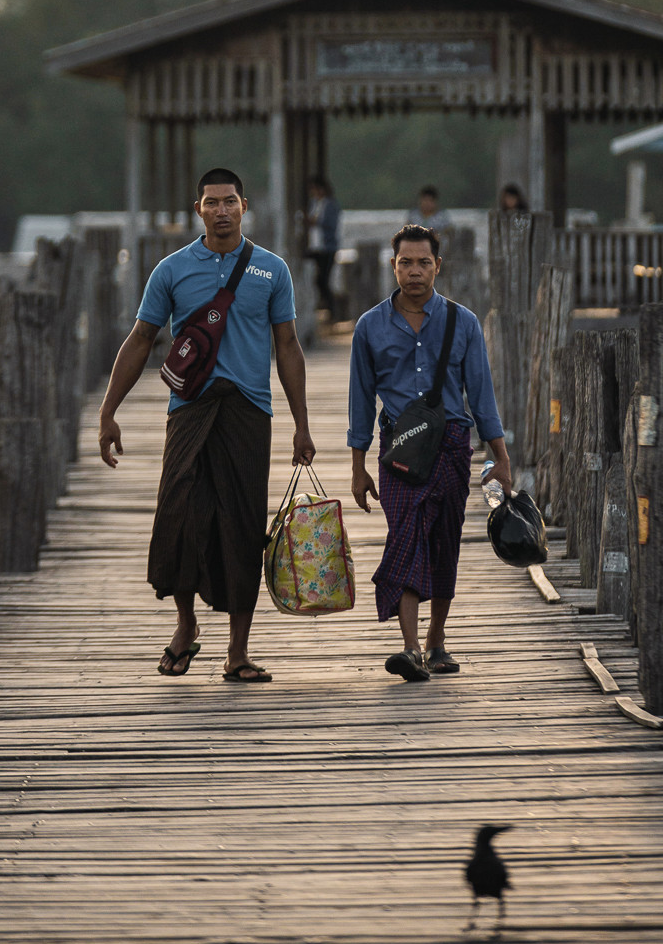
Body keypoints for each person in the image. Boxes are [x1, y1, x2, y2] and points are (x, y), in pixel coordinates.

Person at [98, 167, 316, 684]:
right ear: (198, 210)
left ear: (245, 208)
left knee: (242, 526)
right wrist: (108, 412)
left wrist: (301, 424)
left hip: (248, 411)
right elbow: (140, 339)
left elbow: (287, 345)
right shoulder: (171, 271)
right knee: (178, 514)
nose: (221, 210)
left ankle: (237, 651)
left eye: (230, 202)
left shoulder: (271, 270)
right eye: (212, 202)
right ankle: (186, 623)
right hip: (189, 409)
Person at [348, 223, 512, 681]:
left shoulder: (463, 322)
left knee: (444, 542)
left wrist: (500, 457)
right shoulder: (369, 326)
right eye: (405, 262)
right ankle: (410, 647)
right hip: (399, 451)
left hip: (453, 447)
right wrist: (358, 467)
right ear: (393, 265)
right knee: (404, 536)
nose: (414, 271)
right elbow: (360, 401)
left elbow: (481, 396)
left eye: (423, 263)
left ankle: (437, 639)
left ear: (438, 266)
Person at [306, 174, 341, 317]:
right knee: (317, 279)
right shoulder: (313, 203)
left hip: (327, 247)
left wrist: (315, 222)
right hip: (315, 246)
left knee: (324, 279)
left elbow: (331, 224)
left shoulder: (331, 205)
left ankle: (332, 310)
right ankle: (323, 306)